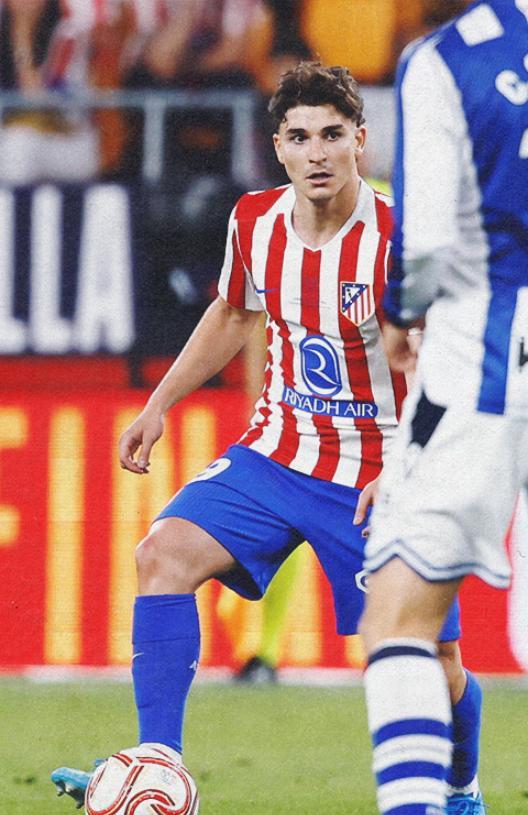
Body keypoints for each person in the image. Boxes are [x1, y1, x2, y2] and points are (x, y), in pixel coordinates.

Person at [51, 62, 481, 812]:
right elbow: (233, 312)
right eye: (299, 137)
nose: (317, 153)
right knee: (162, 555)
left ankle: (462, 788)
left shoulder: (400, 237)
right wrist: (160, 402)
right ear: (277, 147)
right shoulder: (254, 220)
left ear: (360, 140)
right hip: (277, 452)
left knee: (432, 656)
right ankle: (160, 764)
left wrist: (408, 465)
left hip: (377, 469)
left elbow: (445, 358)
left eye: (332, 135)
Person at [359, 2, 528, 814]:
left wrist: (399, 318)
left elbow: (423, 246)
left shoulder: (448, 60)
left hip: (483, 364)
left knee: (399, 614)